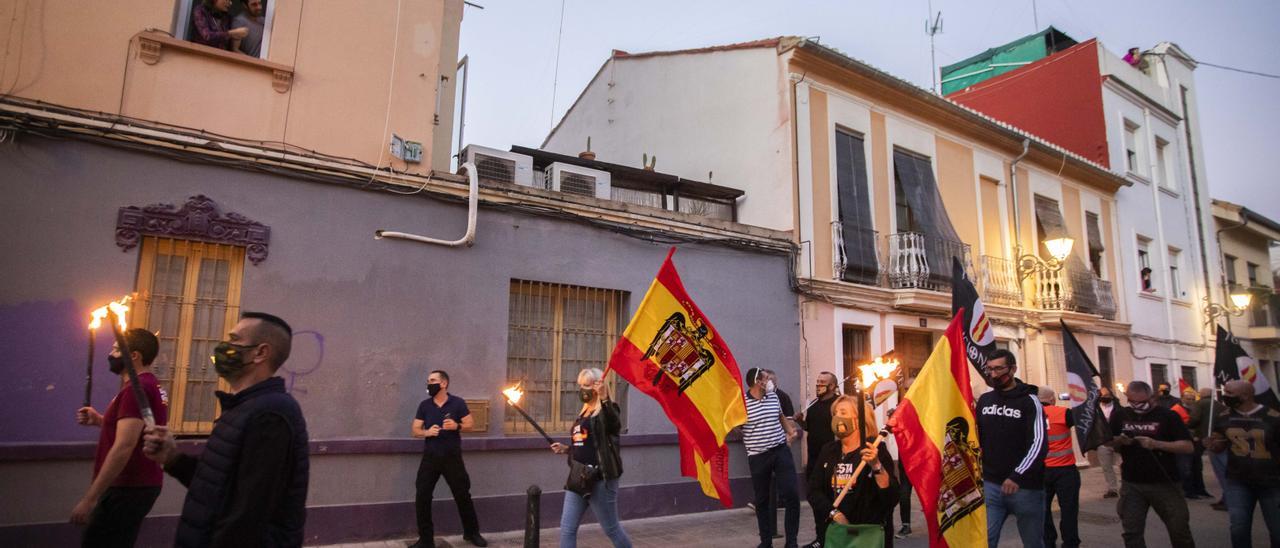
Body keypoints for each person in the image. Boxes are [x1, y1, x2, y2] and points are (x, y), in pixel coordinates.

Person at [142, 312, 309, 547]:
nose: (224, 347)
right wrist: (172, 458)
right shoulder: (243, 407)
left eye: (234, 340)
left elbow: (248, 516)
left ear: (260, 352)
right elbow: (219, 489)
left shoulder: (270, 415)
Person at [72, 329, 169, 547]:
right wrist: (101, 421)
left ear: (133, 355)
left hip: (129, 485)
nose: (111, 354)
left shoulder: (137, 388)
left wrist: (90, 498)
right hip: (138, 484)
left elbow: (125, 445)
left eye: (116, 349)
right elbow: (135, 428)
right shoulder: (148, 385)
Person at [1107, 381, 1195, 548]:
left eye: (1141, 402)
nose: (1137, 406)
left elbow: (1188, 446)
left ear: (1152, 398)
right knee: (1132, 531)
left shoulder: (1168, 416)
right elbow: (1108, 441)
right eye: (1132, 402)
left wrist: (1157, 444)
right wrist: (1120, 440)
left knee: (1179, 529)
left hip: (1164, 482)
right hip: (1132, 482)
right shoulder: (1120, 415)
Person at [550, 368, 631, 548]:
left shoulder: (607, 410)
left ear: (597, 386)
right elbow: (585, 445)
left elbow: (614, 425)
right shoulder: (583, 413)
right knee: (567, 529)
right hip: (578, 476)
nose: (582, 389)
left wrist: (604, 399)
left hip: (600, 478)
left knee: (611, 529)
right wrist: (566, 449)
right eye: (580, 385)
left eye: (586, 385)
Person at [976, 349, 1046, 548]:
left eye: (999, 368)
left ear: (1013, 369)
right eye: (989, 369)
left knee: (1032, 542)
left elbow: (1039, 443)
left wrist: (1017, 475)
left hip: (1025, 488)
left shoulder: (1030, 402)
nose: (994, 374)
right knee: (985, 540)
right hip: (991, 485)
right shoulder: (984, 401)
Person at [807, 395, 898, 547]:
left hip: (868, 535)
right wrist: (834, 513)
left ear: (858, 420)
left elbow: (891, 498)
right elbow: (813, 490)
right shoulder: (829, 450)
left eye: (843, 412)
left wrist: (876, 466)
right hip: (837, 535)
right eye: (835, 413)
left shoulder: (875, 450)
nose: (837, 417)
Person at [410, 370, 487, 548]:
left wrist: (456, 425)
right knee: (422, 496)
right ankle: (425, 539)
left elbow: (470, 424)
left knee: (462, 495)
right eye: (428, 380)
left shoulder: (457, 403)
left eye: (433, 380)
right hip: (430, 458)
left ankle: (472, 533)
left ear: (443, 383)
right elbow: (415, 429)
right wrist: (426, 432)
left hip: (452, 458)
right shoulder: (425, 405)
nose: (429, 384)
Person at [1206, 379, 1280, 548]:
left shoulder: (1272, 417)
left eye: (1230, 393)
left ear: (1245, 395)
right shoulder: (1223, 417)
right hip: (1238, 480)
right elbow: (1220, 445)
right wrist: (1213, 445)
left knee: (1277, 529)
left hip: (1271, 481)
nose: (1225, 396)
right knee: (1238, 527)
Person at [743, 367, 801, 548]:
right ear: (757, 382)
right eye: (766, 378)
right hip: (758, 455)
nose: (770, 382)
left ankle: (791, 542)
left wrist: (790, 431)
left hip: (780, 450)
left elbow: (781, 416)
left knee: (791, 495)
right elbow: (732, 426)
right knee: (762, 500)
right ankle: (765, 542)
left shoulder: (773, 397)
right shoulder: (741, 403)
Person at [1039, 387, 1080, 548]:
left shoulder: (1032, 414)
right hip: (1065, 470)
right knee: (1069, 509)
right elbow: (1085, 423)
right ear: (1051, 399)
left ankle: (1048, 541)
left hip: (1041, 471)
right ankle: (1070, 542)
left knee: (1043, 510)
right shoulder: (1064, 413)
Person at [1180, 388, 1212, 500]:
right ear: (1182, 398)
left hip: (1196, 441)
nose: (1191, 400)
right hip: (1186, 441)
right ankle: (1188, 490)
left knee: (1197, 466)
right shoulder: (1177, 409)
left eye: (1193, 399)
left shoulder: (1195, 408)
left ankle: (1200, 489)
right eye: (1188, 398)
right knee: (1186, 467)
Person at [1096, 386, 1121, 498]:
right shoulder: (1096, 409)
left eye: (1106, 395)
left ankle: (1126, 487)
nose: (1104, 397)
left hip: (1117, 441)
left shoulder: (1118, 408)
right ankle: (1112, 489)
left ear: (1111, 396)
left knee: (1122, 465)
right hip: (1102, 441)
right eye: (1102, 395)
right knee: (1106, 467)